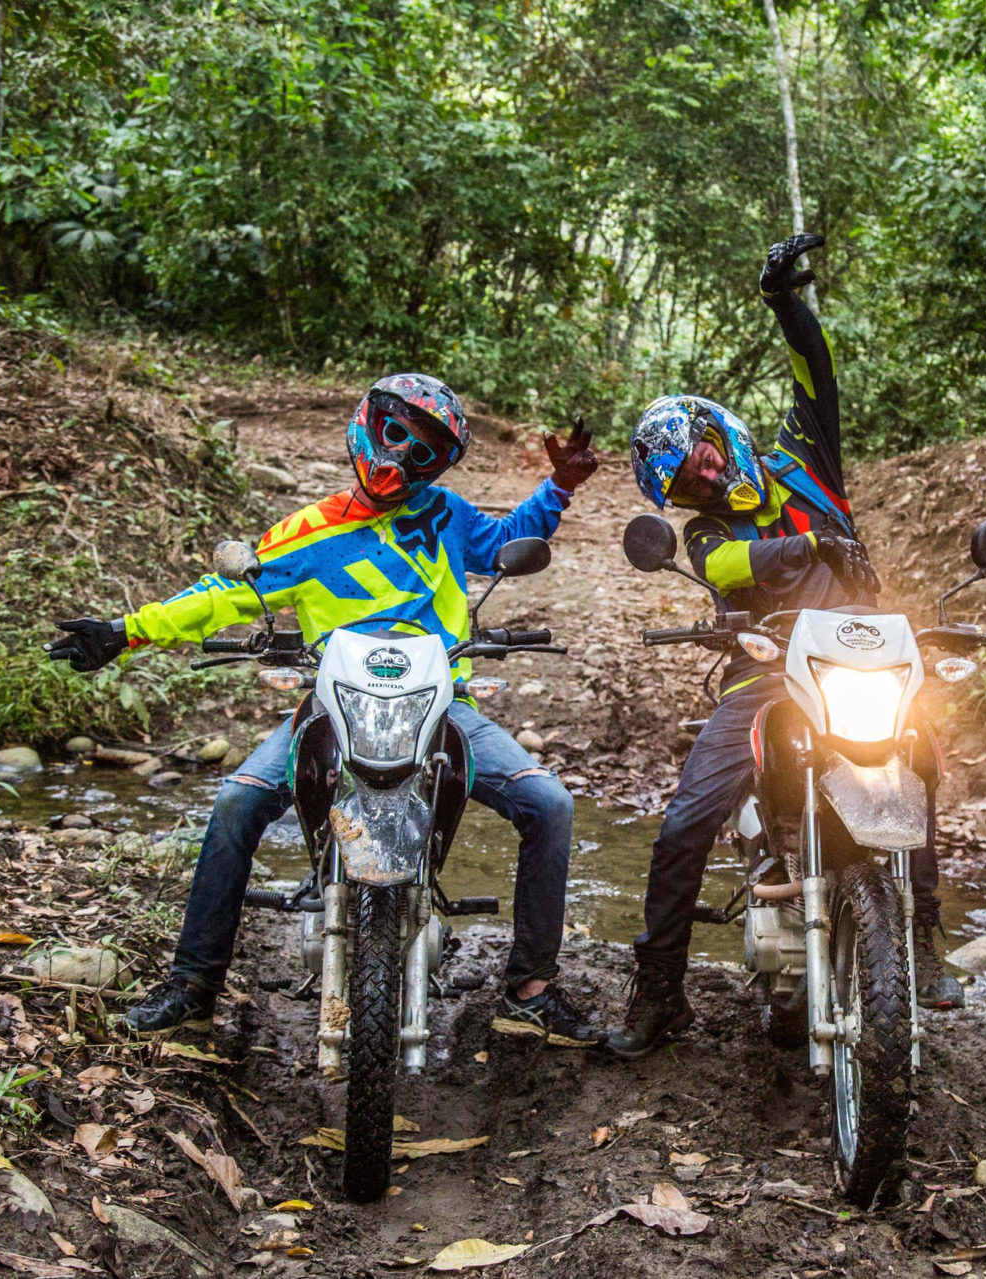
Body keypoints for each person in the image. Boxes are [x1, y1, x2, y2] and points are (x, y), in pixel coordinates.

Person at [45, 374, 605, 1047]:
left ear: (439, 466)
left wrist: (561, 487)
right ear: (370, 425)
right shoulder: (305, 532)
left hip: (443, 706)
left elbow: (507, 541)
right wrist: (125, 630)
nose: (401, 457)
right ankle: (193, 985)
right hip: (331, 707)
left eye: (423, 451)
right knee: (234, 804)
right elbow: (222, 595)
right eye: (396, 434)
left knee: (550, 804)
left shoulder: (446, 515)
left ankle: (532, 989)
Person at [607, 235, 962, 1061]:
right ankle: (659, 985)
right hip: (765, 675)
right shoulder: (708, 531)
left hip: (865, 660)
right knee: (686, 819)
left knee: (926, 747)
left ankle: (923, 931)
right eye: (686, 483)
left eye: (698, 460)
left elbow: (814, 365)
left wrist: (783, 301)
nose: (702, 480)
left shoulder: (807, 459)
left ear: (715, 431)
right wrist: (804, 553)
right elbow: (727, 565)